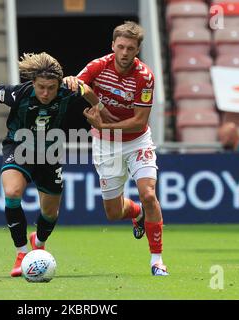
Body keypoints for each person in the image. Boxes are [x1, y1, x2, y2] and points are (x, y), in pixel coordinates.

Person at [0, 52, 100, 277]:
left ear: (58, 84)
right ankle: (22, 253)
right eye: (41, 87)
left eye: (51, 88)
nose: (45, 93)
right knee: (12, 192)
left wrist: (96, 110)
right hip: (19, 147)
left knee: (50, 213)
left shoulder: (68, 91)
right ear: (32, 82)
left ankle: (39, 243)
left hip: (50, 154)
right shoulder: (19, 94)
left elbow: (92, 94)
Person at [64, 21, 168, 276]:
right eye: (120, 46)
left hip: (136, 141)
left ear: (137, 50)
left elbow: (140, 121)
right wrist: (72, 82)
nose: (124, 52)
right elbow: (79, 86)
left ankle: (157, 261)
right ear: (113, 46)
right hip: (106, 145)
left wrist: (105, 124)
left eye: (130, 48)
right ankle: (136, 213)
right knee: (113, 213)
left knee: (149, 195)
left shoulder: (145, 77)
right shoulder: (99, 66)